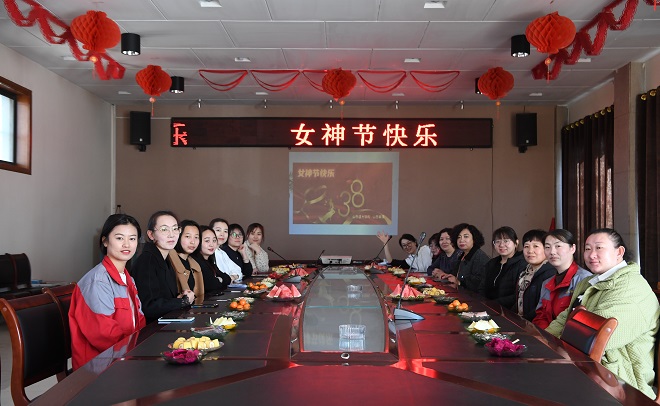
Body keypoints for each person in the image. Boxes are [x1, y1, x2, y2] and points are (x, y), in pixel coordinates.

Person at [546, 228, 660, 399]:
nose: (592, 254)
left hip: (622, 381)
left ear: (619, 252)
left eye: (599, 248)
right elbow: (564, 318)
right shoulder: (589, 282)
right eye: (587, 248)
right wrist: (541, 341)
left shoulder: (631, 288)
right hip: (588, 365)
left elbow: (595, 337)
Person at [69, 214, 146, 369]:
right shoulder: (98, 281)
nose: (126, 244)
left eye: (132, 239)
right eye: (119, 238)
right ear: (105, 241)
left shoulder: (128, 279)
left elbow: (140, 320)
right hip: (99, 369)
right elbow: (104, 334)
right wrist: (140, 352)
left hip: (124, 359)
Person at [132, 211, 194, 322]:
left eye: (175, 229)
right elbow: (149, 307)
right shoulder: (147, 260)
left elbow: (164, 298)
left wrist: (180, 298)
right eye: (164, 229)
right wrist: (183, 301)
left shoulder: (164, 258)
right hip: (151, 328)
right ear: (151, 235)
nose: (171, 234)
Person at [532, 229, 591, 329]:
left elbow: (581, 321)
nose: (552, 252)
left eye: (558, 246)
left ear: (572, 248)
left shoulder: (584, 280)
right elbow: (541, 316)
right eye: (547, 247)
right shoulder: (547, 283)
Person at [478, 226, 526, 308]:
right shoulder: (491, 263)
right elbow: (481, 288)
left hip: (509, 311)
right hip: (488, 308)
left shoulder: (522, 264)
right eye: (497, 241)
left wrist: (494, 304)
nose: (501, 245)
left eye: (506, 241)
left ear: (516, 243)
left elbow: (518, 295)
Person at [514, 229, 556, 321]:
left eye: (535, 246)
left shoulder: (550, 273)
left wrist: (522, 321)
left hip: (535, 323)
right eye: (526, 246)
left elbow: (542, 307)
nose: (530, 251)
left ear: (546, 248)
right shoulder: (524, 271)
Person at [440, 223, 489, 292]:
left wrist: (459, 282)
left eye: (466, 236)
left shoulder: (480, 257)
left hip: (474, 297)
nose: (461, 240)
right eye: (458, 237)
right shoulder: (462, 255)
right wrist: (450, 277)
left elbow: (479, 283)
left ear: (474, 239)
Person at [168, 220, 204, 299]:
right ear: (178, 236)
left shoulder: (194, 263)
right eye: (188, 236)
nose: (193, 242)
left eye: (196, 237)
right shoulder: (169, 260)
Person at [195, 225, 231, 293]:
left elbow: (227, 278)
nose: (211, 244)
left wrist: (218, 280)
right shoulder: (196, 262)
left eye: (214, 240)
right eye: (207, 241)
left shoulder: (210, 261)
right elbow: (211, 285)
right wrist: (219, 280)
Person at [210, 218, 243, 283]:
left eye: (225, 231)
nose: (222, 234)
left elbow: (238, 271)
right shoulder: (209, 253)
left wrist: (232, 277)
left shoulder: (222, 253)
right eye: (218, 230)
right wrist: (229, 278)